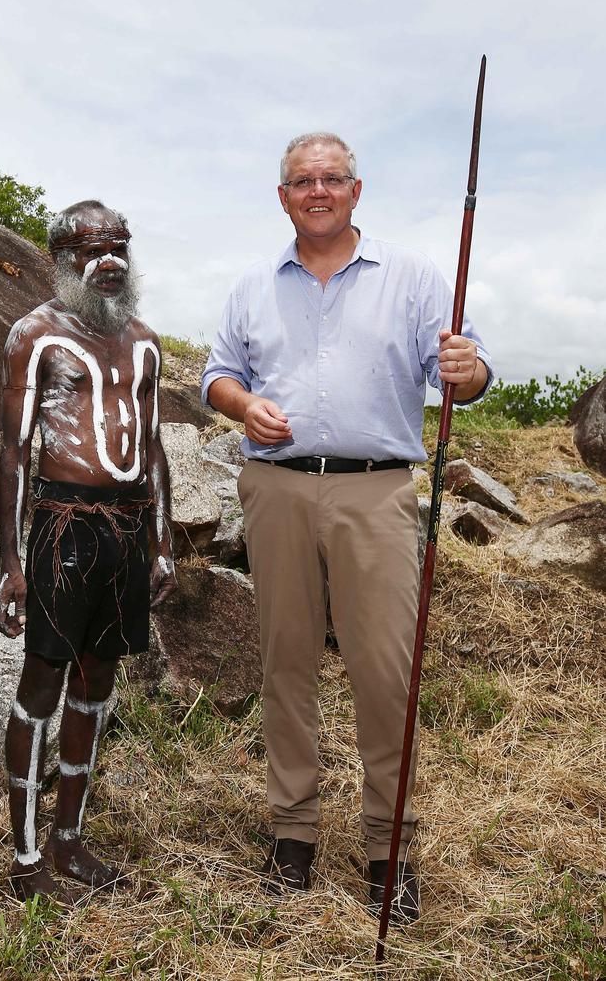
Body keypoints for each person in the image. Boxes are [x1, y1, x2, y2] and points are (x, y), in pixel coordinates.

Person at [201, 132, 492, 922]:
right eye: (303, 180)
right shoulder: (252, 286)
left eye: (333, 178)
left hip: (378, 494)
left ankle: (388, 852)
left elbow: (460, 373)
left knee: (384, 676)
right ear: (284, 196)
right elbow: (216, 373)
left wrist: (472, 372)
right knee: (284, 663)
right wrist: (240, 404)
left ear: (356, 190)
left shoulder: (413, 276)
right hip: (276, 489)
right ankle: (291, 839)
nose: (318, 190)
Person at [0, 200, 177, 904]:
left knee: (97, 682)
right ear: (60, 258)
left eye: (119, 248)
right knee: (41, 683)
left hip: (127, 531)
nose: (109, 262)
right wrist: (12, 562)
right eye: (92, 249)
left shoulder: (144, 341)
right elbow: (13, 454)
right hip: (62, 527)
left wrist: (161, 540)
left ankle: (69, 838)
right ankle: (26, 857)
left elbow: (154, 445)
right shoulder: (35, 336)